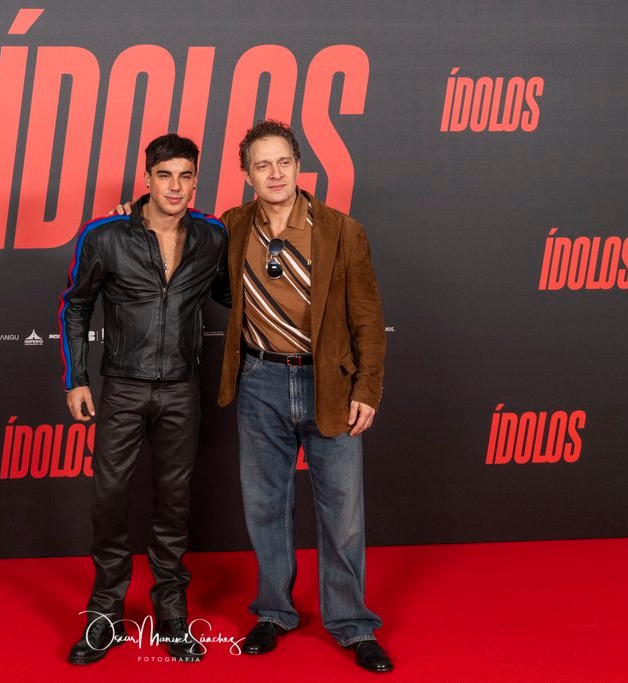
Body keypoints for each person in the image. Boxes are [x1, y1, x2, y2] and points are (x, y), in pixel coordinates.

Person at [217, 119, 392, 673]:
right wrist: (133, 213)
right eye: (262, 165)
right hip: (259, 381)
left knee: (343, 513)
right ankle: (273, 612)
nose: (275, 174)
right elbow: (172, 234)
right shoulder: (231, 226)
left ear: (298, 167)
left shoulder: (341, 230)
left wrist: (367, 388)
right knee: (265, 505)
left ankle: (352, 624)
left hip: (328, 383)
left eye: (283, 162)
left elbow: (368, 320)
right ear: (247, 174)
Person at [59, 133, 229, 665]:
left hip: (182, 389)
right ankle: (105, 613)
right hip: (124, 388)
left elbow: (231, 293)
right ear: (148, 179)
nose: (175, 186)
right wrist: (76, 379)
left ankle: (171, 615)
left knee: (174, 504)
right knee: (109, 498)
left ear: (195, 181)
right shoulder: (105, 234)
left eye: (185, 176)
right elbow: (76, 306)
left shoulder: (213, 236)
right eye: (165, 175)